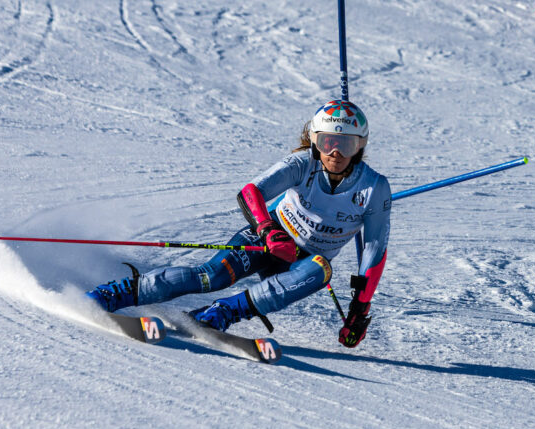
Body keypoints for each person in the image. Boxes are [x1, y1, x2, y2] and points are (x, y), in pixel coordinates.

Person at [85, 99, 391, 348]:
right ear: (315, 141)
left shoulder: (374, 189)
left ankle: (217, 314)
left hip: (302, 261)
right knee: (211, 277)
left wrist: (359, 310)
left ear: (360, 147)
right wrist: (269, 231)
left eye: (346, 145)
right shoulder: (302, 164)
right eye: (328, 142)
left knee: (320, 269)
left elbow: (374, 251)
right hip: (267, 240)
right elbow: (251, 192)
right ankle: (118, 293)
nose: (335, 153)